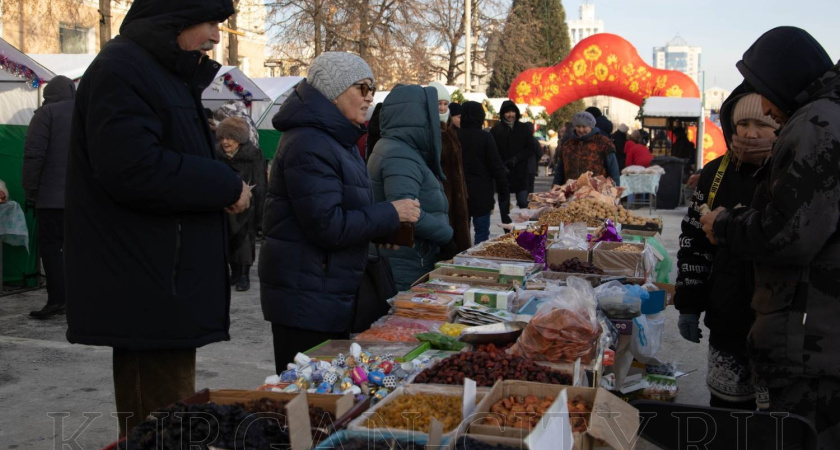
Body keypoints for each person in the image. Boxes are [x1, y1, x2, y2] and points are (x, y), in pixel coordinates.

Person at [64, 0, 252, 437]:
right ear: (175, 16)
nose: (216, 35)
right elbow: (133, 168)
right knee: (160, 423)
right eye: (210, 22)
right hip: (147, 285)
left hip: (163, 283)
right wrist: (224, 185)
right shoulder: (123, 69)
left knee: (170, 418)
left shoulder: (158, 72)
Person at [699, 27, 840, 447]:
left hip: (808, 338)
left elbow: (788, 233)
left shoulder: (816, 122)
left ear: (783, 80)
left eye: (765, 101)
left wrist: (724, 223)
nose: (767, 116)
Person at [261, 52, 420, 373]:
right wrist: (390, 213)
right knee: (308, 400)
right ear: (334, 91)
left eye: (372, 89)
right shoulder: (310, 142)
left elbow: (345, 209)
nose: (370, 97)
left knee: (330, 396)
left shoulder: (338, 138)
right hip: (306, 298)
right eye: (362, 88)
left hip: (326, 292)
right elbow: (328, 225)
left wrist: (382, 229)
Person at [676, 91, 779, 410]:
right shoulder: (714, 173)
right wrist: (689, 303)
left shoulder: (792, 173)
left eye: (761, 124)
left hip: (778, 322)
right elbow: (693, 242)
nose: (750, 133)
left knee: (773, 420)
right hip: (728, 311)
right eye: (742, 124)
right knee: (728, 409)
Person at [368, 84, 454, 290]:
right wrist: (446, 234)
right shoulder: (400, 155)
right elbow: (405, 212)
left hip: (403, 260)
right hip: (404, 264)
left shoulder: (398, 148)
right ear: (418, 117)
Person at [21, 75, 75, 319]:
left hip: (52, 199)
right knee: (79, 249)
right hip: (82, 200)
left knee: (52, 249)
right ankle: (81, 300)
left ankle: (57, 300)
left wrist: (30, 190)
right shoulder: (87, 112)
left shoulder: (46, 114)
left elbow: (34, 155)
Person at [216, 117, 267, 292]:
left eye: (230, 137)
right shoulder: (218, 156)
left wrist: (261, 213)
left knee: (245, 239)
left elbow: (260, 183)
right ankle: (234, 272)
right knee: (228, 238)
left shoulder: (253, 155)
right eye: (222, 137)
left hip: (247, 206)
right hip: (225, 205)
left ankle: (244, 273)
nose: (225, 142)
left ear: (239, 138)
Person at [457, 101, 509, 245]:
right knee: (481, 233)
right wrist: (503, 189)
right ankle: (477, 262)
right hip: (482, 192)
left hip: (459, 192)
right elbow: (496, 165)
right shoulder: (485, 137)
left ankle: (461, 262)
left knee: (462, 232)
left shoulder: (455, 137)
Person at [429, 82, 471, 253]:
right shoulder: (431, 130)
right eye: (438, 103)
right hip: (441, 196)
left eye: (445, 104)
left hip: (457, 195)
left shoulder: (449, 130)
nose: (442, 107)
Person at [491, 101, 536, 217]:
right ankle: (507, 230)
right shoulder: (496, 130)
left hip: (520, 172)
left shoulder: (523, 128)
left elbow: (531, 148)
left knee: (523, 201)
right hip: (503, 172)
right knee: (504, 203)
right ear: (502, 114)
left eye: (512, 112)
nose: (510, 115)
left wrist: (517, 158)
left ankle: (524, 229)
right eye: (507, 112)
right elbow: (492, 151)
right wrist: (501, 165)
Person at [552, 111, 619, 186]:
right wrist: (555, 187)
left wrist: (615, 190)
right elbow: (559, 172)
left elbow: (613, 170)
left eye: (584, 127)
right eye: (578, 126)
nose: (581, 130)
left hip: (596, 192)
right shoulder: (568, 145)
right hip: (572, 191)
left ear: (591, 126)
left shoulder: (604, 143)